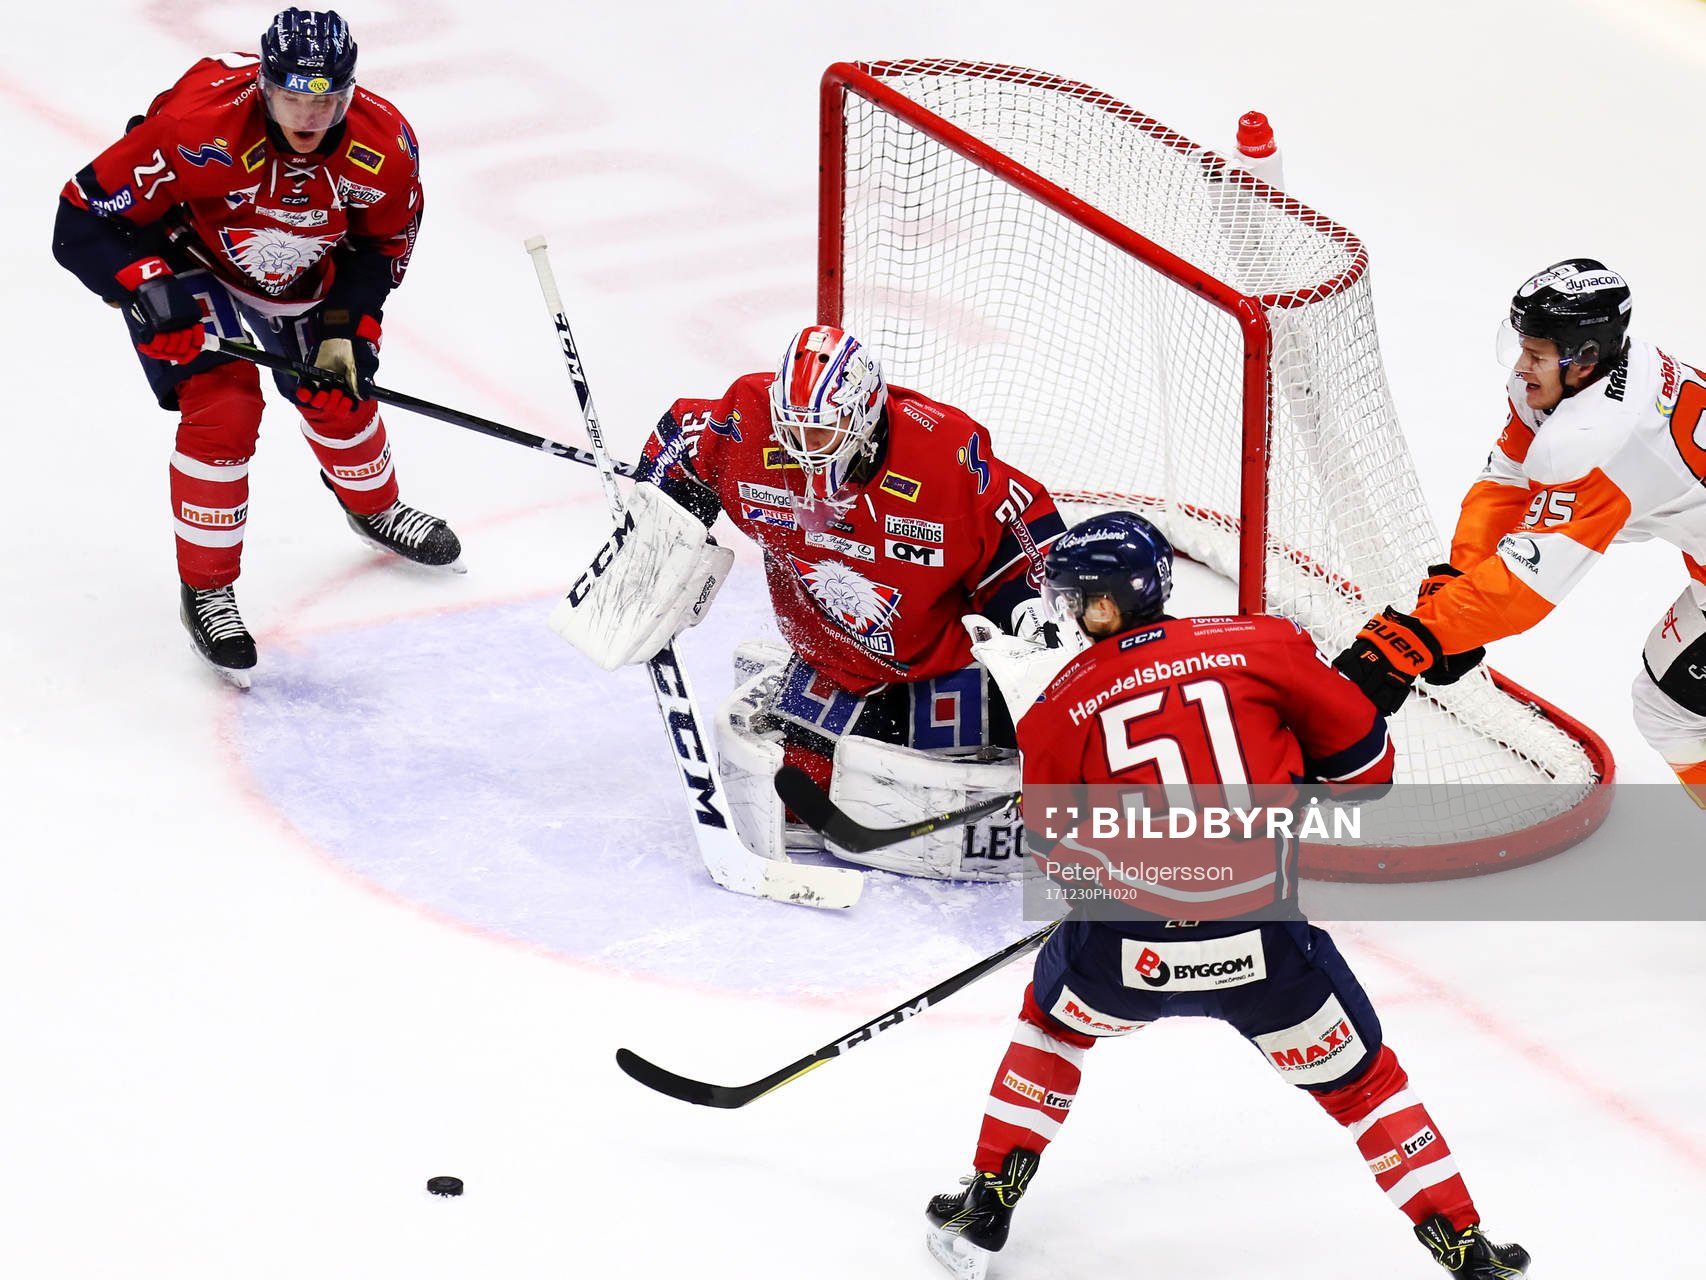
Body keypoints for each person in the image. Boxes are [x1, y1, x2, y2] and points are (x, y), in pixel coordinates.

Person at [925, 511, 1529, 1278]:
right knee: (1365, 1086)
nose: (1071, 616)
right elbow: (1367, 777)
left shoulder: (1058, 701)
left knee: (1052, 1028)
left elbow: (1059, 857)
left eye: (1076, 600)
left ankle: (987, 1207)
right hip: (1265, 948)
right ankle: (1466, 1250)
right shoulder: (1264, 644)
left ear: (1107, 606)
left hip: (1123, 953)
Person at [550, 324, 1067, 880]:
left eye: (820, 433)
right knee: (797, 794)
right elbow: (684, 437)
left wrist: (1032, 610)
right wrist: (661, 532)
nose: (800, 450)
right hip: (833, 657)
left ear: (865, 418)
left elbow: (1020, 520)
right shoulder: (748, 428)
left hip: (943, 659)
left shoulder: (942, 455)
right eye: (790, 428)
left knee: (1043, 771)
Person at [52, 8, 462, 688]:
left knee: (338, 395)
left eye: (327, 99)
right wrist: (150, 292)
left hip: (302, 269)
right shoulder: (195, 127)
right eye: (294, 96)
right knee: (224, 408)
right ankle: (207, 591)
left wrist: (350, 328)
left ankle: (375, 507)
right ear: (265, 88)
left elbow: (382, 244)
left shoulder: (384, 148)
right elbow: (82, 217)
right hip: (187, 259)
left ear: (349, 93)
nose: (309, 115)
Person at [1332, 258, 1706, 804]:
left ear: (1585, 359)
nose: (1522, 366)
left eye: (1537, 354)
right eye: (1523, 346)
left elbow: (1524, 591)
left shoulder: (1595, 437)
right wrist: (1458, 579)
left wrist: (1408, 643)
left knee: (1671, 715)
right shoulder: (1603, 374)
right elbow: (1508, 480)